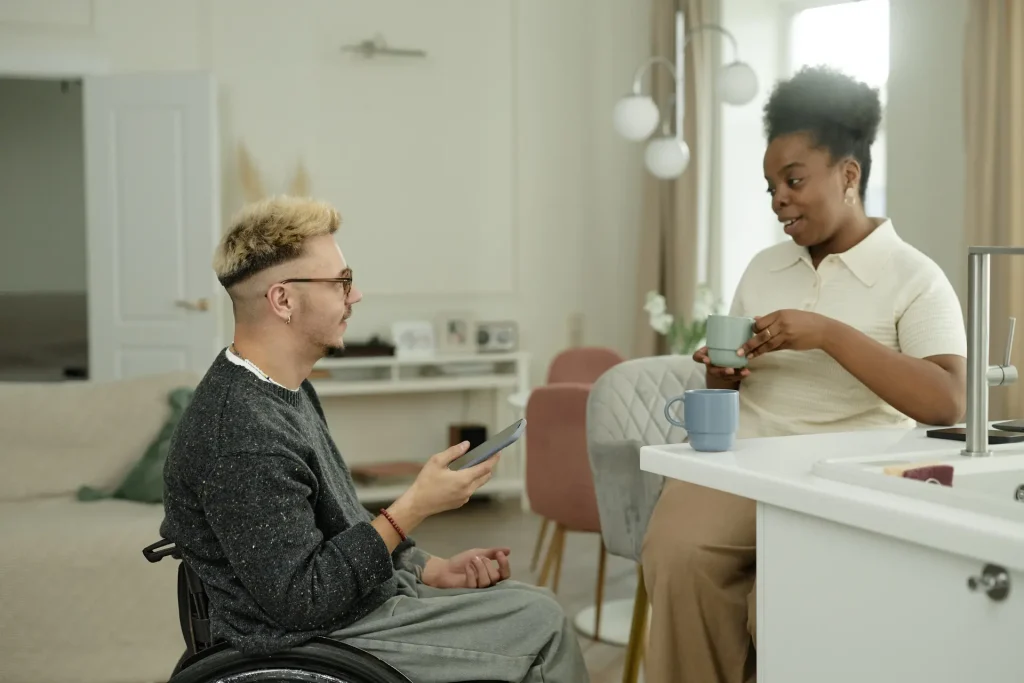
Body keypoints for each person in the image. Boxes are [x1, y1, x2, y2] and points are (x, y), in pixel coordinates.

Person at [160, 196, 589, 683]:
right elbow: (304, 601)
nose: (356, 295)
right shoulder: (241, 432)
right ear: (283, 300)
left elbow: (337, 525)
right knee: (543, 624)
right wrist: (414, 507)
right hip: (309, 638)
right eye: (341, 282)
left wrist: (429, 568)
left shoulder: (284, 391)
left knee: (533, 603)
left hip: (348, 611)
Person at [640, 65, 967, 683]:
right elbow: (729, 389)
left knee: (793, 605)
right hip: (749, 461)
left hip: (845, 475)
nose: (778, 200)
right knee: (676, 550)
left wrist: (829, 336)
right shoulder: (764, 268)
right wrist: (724, 376)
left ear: (849, 175)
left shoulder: (914, 276)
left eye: (793, 180)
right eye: (770, 187)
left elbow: (948, 401)